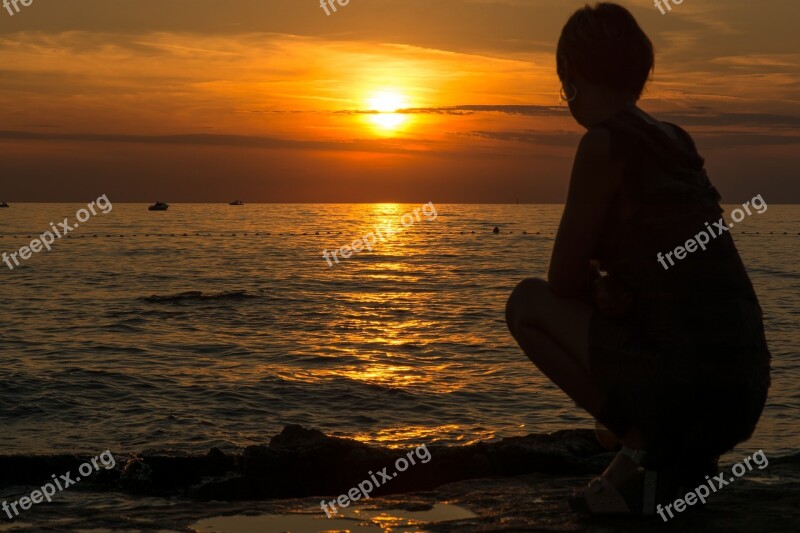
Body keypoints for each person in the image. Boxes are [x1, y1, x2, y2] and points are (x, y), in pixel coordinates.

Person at [505, 2, 771, 516]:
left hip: (684, 394)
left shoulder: (603, 145)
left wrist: (593, 286)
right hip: (743, 393)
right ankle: (666, 454)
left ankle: (642, 447)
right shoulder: (674, 139)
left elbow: (559, 280)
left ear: (571, 76)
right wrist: (612, 287)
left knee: (525, 304)